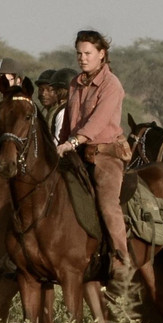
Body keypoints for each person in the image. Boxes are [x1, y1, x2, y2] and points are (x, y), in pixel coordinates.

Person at [55, 30, 131, 276]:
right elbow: (68, 121)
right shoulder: (75, 83)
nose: (82, 58)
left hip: (105, 154)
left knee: (108, 204)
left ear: (102, 54)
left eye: (88, 53)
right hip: (75, 152)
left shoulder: (112, 85)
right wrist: (60, 144)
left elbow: (98, 122)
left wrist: (74, 141)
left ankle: (121, 259)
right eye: (79, 53)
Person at [47, 67, 74, 142]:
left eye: (56, 90)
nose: (53, 94)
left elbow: (57, 140)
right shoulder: (70, 108)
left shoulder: (63, 111)